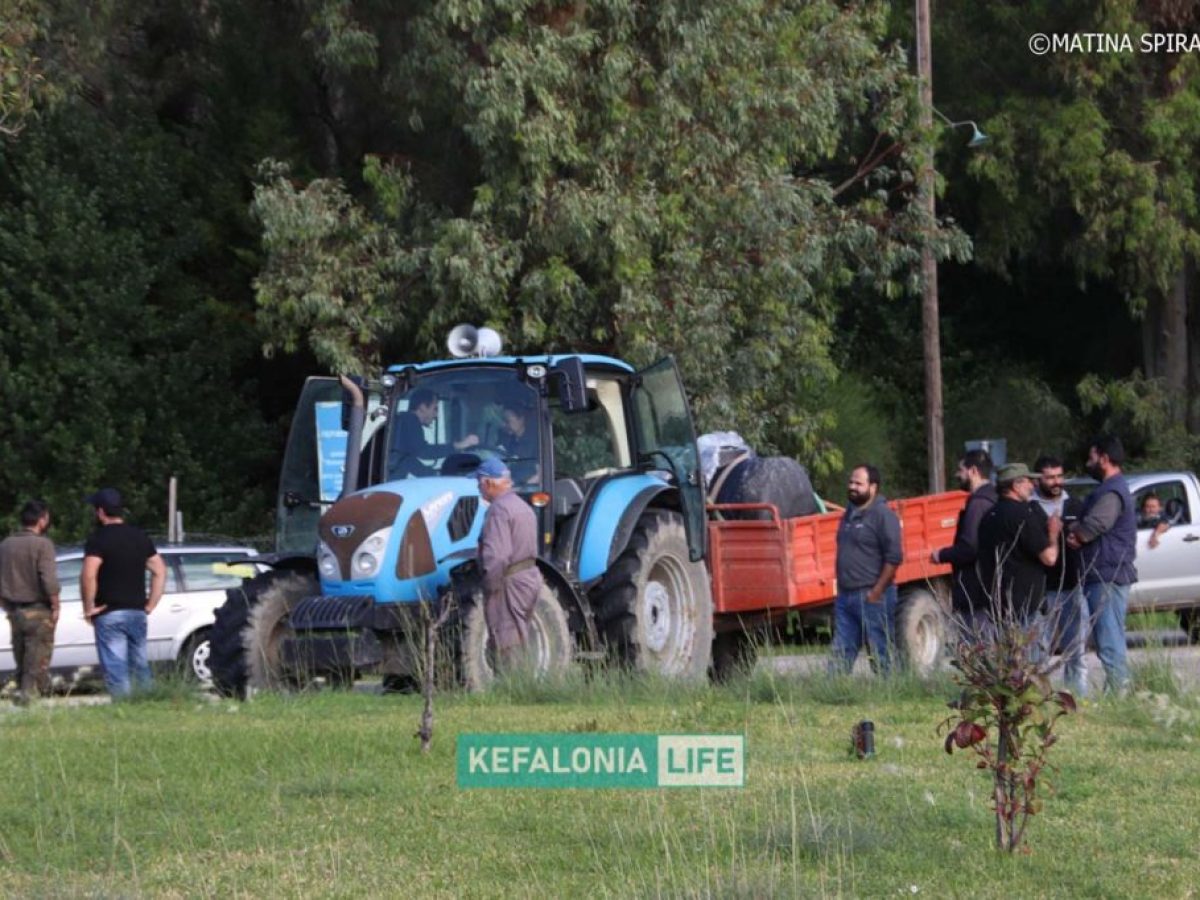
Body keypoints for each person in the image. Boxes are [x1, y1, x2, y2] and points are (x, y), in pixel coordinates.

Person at [80, 488, 167, 698]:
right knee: (140, 665)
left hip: (109, 613)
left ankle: (124, 709)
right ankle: (148, 706)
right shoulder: (140, 537)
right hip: (137, 612)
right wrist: (150, 604)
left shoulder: (98, 539)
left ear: (100, 512)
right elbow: (160, 571)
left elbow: (89, 574)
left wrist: (89, 607)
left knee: (116, 669)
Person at [1067, 435, 1137, 695]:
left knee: (1108, 640)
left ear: (1104, 459)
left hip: (1107, 574)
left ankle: (1121, 693)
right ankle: (1118, 691)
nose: (1089, 462)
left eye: (1092, 457)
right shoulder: (1113, 488)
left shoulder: (1111, 491)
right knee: (1110, 637)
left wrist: (1076, 531)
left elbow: (1095, 525)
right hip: (1105, 572)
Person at [829, 465, 903, 675]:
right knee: (840, 651)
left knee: (881, 651)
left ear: (873, 487)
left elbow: (894, 557)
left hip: (873, 596)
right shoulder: (848, 516)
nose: (852, 487)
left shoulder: (883, 516)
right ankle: (832, 695)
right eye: (851, 482)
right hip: (846, 597)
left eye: (858, 484)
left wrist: (877, 591)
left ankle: (889, 694)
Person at [476, 458, 544, 672]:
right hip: (529, 577)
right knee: (521, 634)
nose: (478, 488)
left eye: (479, 482)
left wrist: (490, 586)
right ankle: (523, 684)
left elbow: (497, 556)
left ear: (489, 483)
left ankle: (512, 689)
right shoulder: (522, 507)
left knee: (506, 637)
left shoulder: (498, 510)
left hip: (510, 581)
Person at [976, 463, 1061, 627]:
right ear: (1016, 485)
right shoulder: (1022, 515)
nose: (1033, 485)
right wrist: (1053, 534)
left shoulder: (988, 516)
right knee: (1030, 652)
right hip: (1026, 606)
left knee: (1008, 652)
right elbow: (1050, 557)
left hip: (998, 604)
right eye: (1028, 481)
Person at [1032, 455, 1086, 696]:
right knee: (1038, 650)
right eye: (1049, 477)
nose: (1055, 482)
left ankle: (1076, 697)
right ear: (1037, 479)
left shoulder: (1075, 506)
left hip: (1072, 586)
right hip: (1041, 590)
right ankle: (1039, 697)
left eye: (1059, 476)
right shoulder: (1029, 508)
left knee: (1076, 648)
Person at [931, 449, 997, 637]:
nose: (957, 475)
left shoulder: (977, 504)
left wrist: (941, 555)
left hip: (975, 591)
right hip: (988, 588)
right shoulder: (994, 498)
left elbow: (969, 547)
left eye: (961, 470)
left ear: (973, 471)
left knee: (976, 649)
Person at [0, 500, 61, 703]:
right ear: (42, 519)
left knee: (22, 659)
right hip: (39, 611)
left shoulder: (6, 545)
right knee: (36, 663)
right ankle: (30, 700)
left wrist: (6, 605)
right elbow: (48, 579)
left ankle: (21, 696)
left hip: (15, 611)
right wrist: (56, 605)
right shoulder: (43, 545)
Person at [389, 388, 480, 477]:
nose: (436, 415)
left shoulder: (403, 421)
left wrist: (433, 474)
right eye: (435, 409)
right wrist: (459, 445)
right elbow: (423, 452)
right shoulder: (410, 421)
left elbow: (407, 461)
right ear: (423, 407)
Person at [498, 401, 540, 485]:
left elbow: (541, 474)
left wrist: (526, 486)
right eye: (503, 421)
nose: (504, 425)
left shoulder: (535, 443)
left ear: (521, 419)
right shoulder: (505, 442)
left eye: (507, 421)